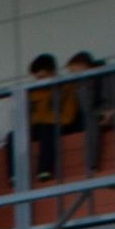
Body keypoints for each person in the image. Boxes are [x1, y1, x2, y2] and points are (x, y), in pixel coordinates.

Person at [66, 51, 115, 170]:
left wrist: (111, 112)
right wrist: (86, 87)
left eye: (74, 70)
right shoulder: (80, 85)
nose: (73, 74)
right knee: (91, 123)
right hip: (101, 114)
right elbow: (87, 108)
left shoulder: (109, 73)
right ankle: (91, 167)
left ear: (83, 65)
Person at [24, 54, 83, 183]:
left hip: (61, 126)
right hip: (40, 127)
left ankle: (44, 171)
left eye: (43, 77)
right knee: (13, 136)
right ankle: (16, 177)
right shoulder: (32, 93)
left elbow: (67, 117)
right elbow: (27, 119)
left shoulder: (66, 87)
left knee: (47, 129)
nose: (40, 81)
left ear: (53, 72)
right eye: (37, 78)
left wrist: (40, 117)